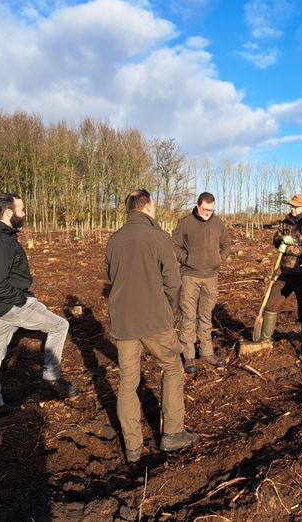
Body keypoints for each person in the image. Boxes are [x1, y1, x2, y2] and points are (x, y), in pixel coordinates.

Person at [105, 189, 198, 463]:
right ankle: (172, 433)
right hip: (154, 319)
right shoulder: (158, 237)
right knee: (171, 367)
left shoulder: (114, 239)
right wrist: (170, 307)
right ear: (148, 206)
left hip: (123, 321)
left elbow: (112, 275)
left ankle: (133, 448)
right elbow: (173, 281)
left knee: (128, 382)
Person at [0, 193, 77, 423]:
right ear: (9, 213)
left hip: (0, 306)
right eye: (21, 209)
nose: (24, 213)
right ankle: (51, 378)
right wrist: (21, 300)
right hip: (12, 304)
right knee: (60, 325)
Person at [171, 192, 231, 374]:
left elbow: (226, 244)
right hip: (190, 276)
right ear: (197, 206)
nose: (208, 213)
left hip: (211, 277)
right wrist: (186, 259)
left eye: (211, 210)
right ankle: (188, 356)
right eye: (205, 209)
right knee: (188, 316)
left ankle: (207, 352)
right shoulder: (185, 223)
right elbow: (174, 245)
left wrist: (219, 259)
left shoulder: (218, 223)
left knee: (206, 316)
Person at [258, 193, 302, 360]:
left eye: (295, 206)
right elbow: (276, 240)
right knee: (271, 305)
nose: (291, 208)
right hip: (286, 273)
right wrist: (281, 241)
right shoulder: (286, 221)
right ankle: (264, 340)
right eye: (291, 206)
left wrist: (286, 249)